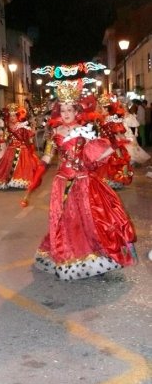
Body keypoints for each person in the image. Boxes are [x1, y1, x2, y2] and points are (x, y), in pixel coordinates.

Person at [22, 80, 137, 281]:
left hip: (83, 181)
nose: (66, 113)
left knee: (89, 218)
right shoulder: (54, 133)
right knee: (65, 220)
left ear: (77, 111)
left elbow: (94, 154)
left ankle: (95, 255)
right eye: (63, 109)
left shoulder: (86, 132)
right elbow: (48, 158)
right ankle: (68, 255)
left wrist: (114, 143)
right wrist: (36, 176)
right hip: (62, 182)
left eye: (70, 109)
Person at [0, 103, 39, 189]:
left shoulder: (22, 126)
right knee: (7, 165)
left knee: (22, 166)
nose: (12, 118)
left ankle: (18, 180)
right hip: (11, 148)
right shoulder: (8, 127)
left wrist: (33, 126)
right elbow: (5, 138)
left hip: (22, 148)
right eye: (11, 116)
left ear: (17, 117)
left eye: (14, 116)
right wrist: (0, 141)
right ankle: (7, 180)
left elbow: (30, 135)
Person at [95, 96, 133, 189]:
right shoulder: (99, 118)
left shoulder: (113, 119)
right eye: (99, 107)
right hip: (103, 144)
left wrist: (123, 140)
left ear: (106, 108)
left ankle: (115, 182)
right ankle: (106, 182)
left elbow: (118, 133)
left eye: (101, 107)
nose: (99, 109)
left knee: (115, 162)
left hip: (113, 145)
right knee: (103, 163)